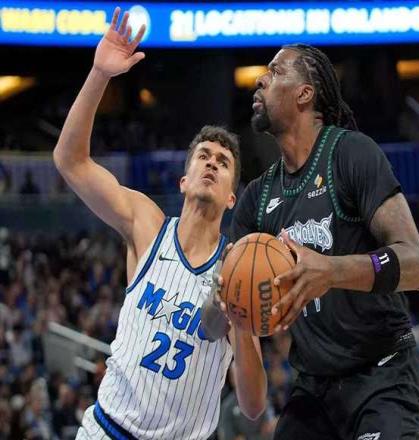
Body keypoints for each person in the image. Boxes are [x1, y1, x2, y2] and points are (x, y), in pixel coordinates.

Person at [54, 8, 266, 439]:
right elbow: (70, 160)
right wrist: (99, 74)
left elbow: (253, 406)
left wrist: (242, 327)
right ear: (184, 181)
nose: (212, 163)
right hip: (105, 430)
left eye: (223, 162)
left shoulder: (238, 268)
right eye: (203, 156)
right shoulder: (146, 224)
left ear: (232, 196)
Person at [229, 44, 419, 439]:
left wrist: (332, 271)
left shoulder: (350, 153)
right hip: (314, 390)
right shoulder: (257, 198)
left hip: (381, 375)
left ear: (305, 93)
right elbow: (229, 294)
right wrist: (230, 305)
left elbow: (416, 265)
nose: (261, 79)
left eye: (275, 71)